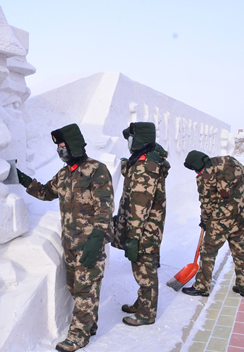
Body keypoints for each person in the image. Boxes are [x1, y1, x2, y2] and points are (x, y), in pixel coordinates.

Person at [16, 123, 114, 352]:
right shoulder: (63, 174)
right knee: (75, 288)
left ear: (75, 145)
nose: (60, 150)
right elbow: (44, 192)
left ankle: (78, 336)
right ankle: (90, 324)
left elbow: (105, 209)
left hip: (90, 244)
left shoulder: (96, 170)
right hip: (70, 244)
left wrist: (96, 240)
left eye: (63, 145)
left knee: (84, 291)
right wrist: (21, 178)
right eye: (58, 146)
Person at [112, 122, 170, 326]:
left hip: (144, 230)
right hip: (146, 227)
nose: (128, 142)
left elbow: (140, 206)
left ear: (139, 140)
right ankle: (142, 303)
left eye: (131, 138)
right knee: (143, 269)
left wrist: (134, 239)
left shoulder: (146, 166)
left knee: (145, 271)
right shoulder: (144, 161)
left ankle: (146, 314)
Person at [181, 150, 244, 297]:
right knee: (240, 251)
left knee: (208, 251)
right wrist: (232, 189)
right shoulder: (229, 160)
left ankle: (202, 286)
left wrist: (205, 221)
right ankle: (243, 286)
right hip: (240, 215)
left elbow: (207, 203)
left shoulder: (204, 176)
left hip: (221, 221)